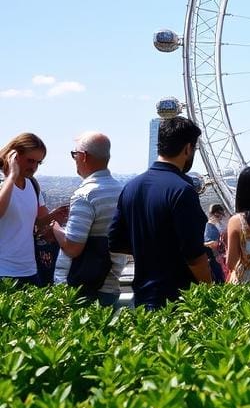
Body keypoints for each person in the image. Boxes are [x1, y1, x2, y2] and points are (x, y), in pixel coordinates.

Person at [108, 116, 212, 309]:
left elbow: (115, 241)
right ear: (188, 148)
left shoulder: (131, 187)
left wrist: (148, 248)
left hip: (142, 295)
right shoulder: (182, 190)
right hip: (178, 301)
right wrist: (211, 291)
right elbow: (194, 256)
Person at [50, 132, 126, 306]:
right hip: (111, 281)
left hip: (83, 286)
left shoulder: (85, 195)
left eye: (74, 155)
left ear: (83, 156)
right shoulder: (122, 191)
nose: (74, 159)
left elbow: (73, 247)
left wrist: (55, 228)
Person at [0, 133, 67, 286]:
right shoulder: (3, 181)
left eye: (38, 163)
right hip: (3, 270)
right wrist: (11, 176)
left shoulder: (32, 184)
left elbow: (36, 224)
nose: (34, 167)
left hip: (29, 269)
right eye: (30, 161)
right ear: (14, 156)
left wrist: (53, 217)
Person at [204, 204, 228, 283]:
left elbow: (212, 243)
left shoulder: (213, 224)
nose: (221, 216)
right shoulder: (211, 225)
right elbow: (211, 243)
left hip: (221, 256)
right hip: (220, 256)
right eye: (220, 214)